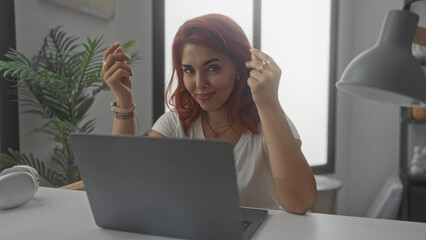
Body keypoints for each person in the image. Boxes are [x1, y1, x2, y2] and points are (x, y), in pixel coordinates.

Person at [101, 14, 316, 214]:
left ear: (240, 69)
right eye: (189, 71)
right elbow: (125, 187)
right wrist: (124, 101)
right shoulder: (175, 124)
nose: (200, 84)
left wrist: (269, 103)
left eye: (213, 68)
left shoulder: (269, 122)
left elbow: (299, 203)